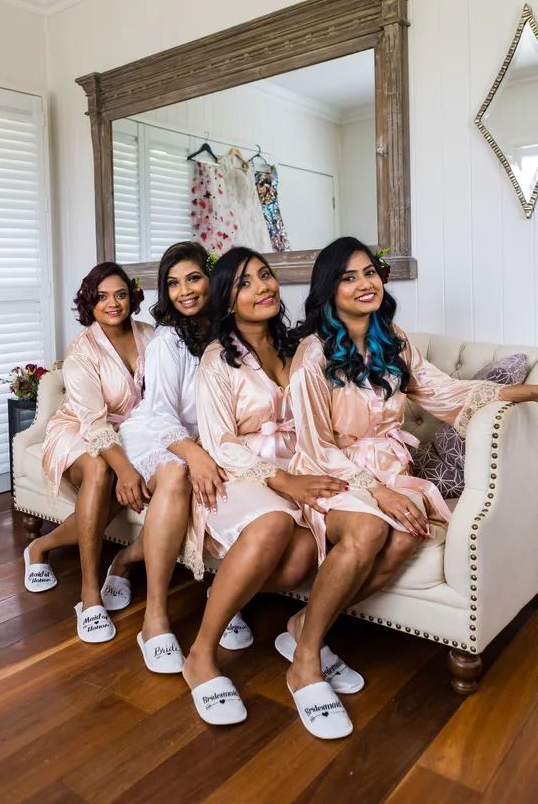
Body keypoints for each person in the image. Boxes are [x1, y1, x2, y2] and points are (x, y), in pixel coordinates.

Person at [284, 236, 538, 738]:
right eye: (349, 276)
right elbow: (314, 446)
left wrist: (533, 390)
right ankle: (305, 661)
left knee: (407, 534)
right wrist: (376, 491)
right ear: (328, 289)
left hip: (388, 469)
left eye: (371, 272)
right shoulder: (312, 357)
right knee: (369, 535)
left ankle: (302, 627)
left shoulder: (392, 340)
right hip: (331, 471)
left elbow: (449, 393)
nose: (365, 284)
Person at [183, 247, 361, 726]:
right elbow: (219, 443)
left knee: (303, 555)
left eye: (265, 276)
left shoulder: (297, 346)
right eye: (244, 283)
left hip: (298, 465)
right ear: (226, 300)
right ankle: (200, 653)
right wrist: (287, 483)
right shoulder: (219, 359)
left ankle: (234, 593)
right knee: (274, 522)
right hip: (240, 471)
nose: (262, 287)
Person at [119, 242, 253, 673]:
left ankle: (223, 594)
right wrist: (194, 455)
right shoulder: (168, 341)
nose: (184, 291)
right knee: (178, 475)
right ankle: (154, 615)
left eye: (193, 278)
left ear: (211, 280)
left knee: (242, 484)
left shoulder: (233, 332)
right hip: (158, 434)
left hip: (214, 439)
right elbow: (159, 415)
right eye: (172, 284)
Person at [26, 262, 152, 643]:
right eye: (101, 297)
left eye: (120, 294)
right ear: (89, 302)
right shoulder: (82, 348)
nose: (112, 303)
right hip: (79, 429)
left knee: (120, 485)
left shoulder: (151, 335)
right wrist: (127, 470)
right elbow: (94, 424)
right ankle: (89, 594)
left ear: (131, 297)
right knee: (101, 472)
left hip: (130, 430)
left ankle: (41, 544)